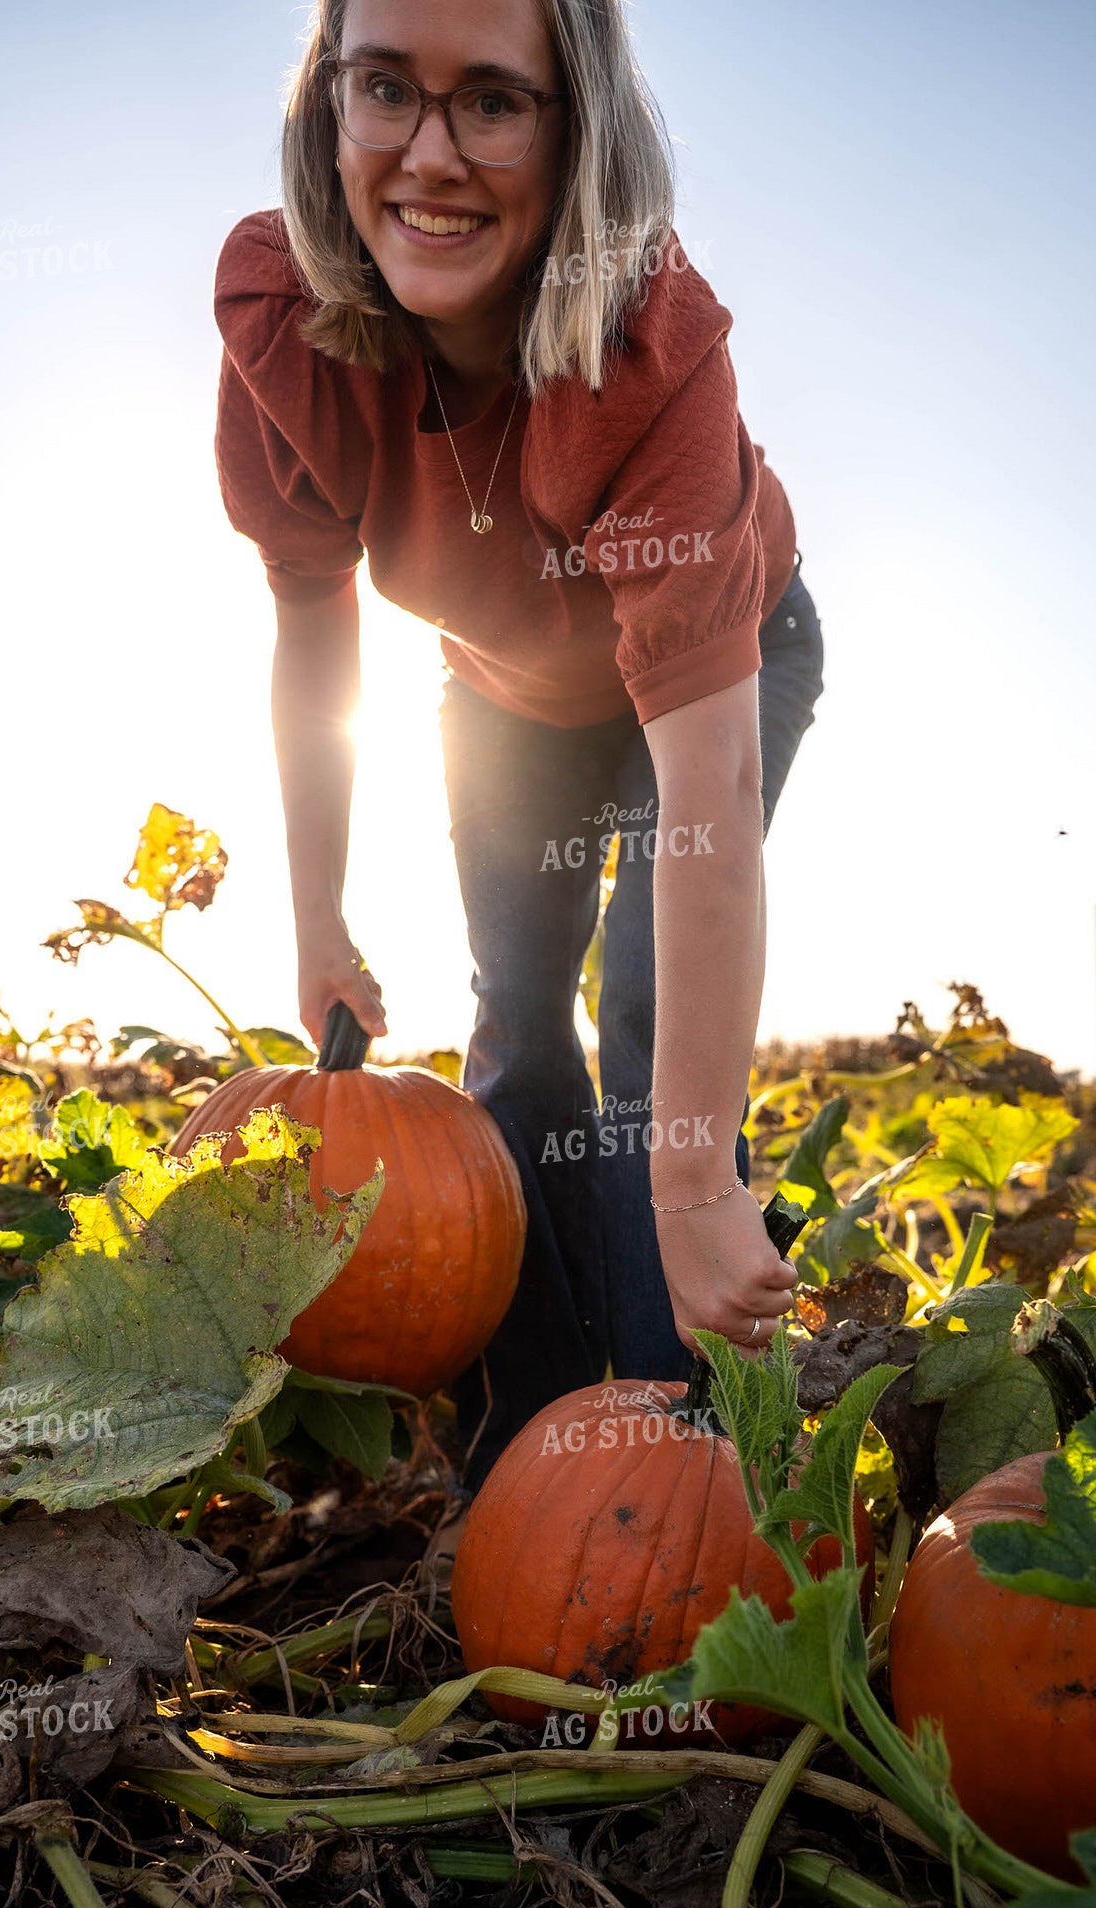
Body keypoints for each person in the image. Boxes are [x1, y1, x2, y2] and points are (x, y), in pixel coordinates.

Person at [214, 0, 824, 1483]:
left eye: (492, 102)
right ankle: (539, 1445)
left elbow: (707, 789)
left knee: (638, 1022)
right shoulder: (285, 323)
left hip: (709, 680)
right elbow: (314, 627)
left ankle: (686, 1451)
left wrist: (688, 1176)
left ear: (575, 126)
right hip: (502, 692)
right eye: (385, 91)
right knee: (517, 1026)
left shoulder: (649, 352)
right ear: (328, 106)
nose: (430, 154)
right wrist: (315, 917)